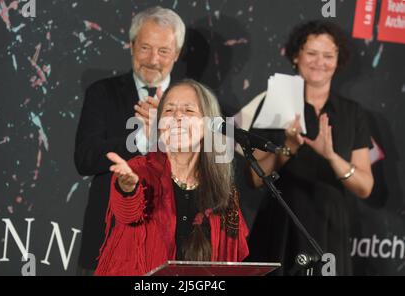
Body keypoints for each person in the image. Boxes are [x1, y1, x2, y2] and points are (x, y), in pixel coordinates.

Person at [247, 21, 374, 275]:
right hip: (282, 224)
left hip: (330, 228)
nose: (320, 62)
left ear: (338, 60)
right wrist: (289, 148)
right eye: (311, 53)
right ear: (296, 56)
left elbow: (365, 187)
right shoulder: (276, 101)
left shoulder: (352, 113)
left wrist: (331, 157)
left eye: (328, 55)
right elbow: (254, 177)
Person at [94, 80, 249, 276]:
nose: (177, 116)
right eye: (168, 111)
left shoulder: (223, 189)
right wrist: (128, 188)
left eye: (189, 110)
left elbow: (233, 254)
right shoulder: (139, 169)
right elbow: (128, 213)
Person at [74, 6, 186, 275]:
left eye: (163, 51)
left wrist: (164, 133)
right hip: (108, 240)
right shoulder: (102, 93)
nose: (153, 60)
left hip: (173, 242)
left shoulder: (193, 100)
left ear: (177, 54)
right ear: (131, 45)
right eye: (145, 48)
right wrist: (139, 137)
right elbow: (85, 158)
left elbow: (206, 166)